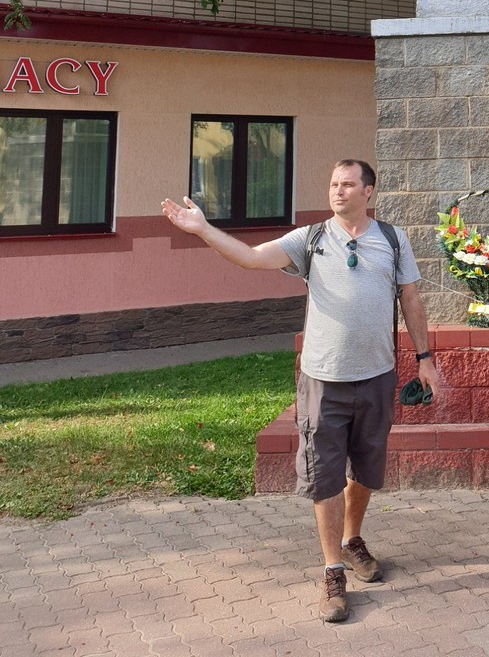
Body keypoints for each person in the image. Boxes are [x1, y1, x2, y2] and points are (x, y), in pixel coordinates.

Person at [161, 159, 440, 624]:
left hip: (377, 375)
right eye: (333, 183)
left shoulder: (392, 239)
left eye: (348, 184)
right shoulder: (310, 239)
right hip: (322, 380)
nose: (338, 191)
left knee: (367, 471)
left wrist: (425, 359)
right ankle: (333, 572)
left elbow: (410, 299)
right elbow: (252, 258)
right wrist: (204, 230)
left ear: (369, 192)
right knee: (325, 475)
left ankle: (353, 541)